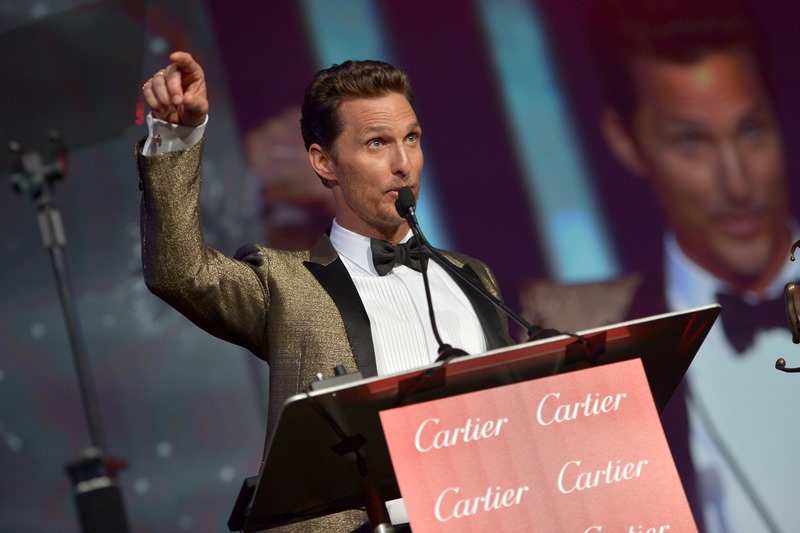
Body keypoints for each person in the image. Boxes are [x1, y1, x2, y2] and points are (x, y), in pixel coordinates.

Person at [137, 51, 511, 531]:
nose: (403, 164)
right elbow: (179, 271)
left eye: (411, 138)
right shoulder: (285, 284)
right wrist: (176, 136)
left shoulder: (472, 276)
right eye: (376, 143)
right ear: (324, 161)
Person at [521, 0, 798, 531]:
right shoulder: (584, 351)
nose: (738, 184)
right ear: (626, 141)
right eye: (692, 142)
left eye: (751, 130)